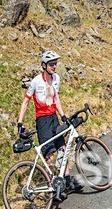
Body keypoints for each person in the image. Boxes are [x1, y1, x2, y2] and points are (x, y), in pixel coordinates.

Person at [17, 50, 79, 199]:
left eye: (56, 64)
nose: (54, 66)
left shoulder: (56, 78)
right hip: (42, 121)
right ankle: (53, 185)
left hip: (54, 118)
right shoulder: (36, 81)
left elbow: (56, 98)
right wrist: (19, 122)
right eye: (51, 64)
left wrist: (63, 116)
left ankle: (67, 181)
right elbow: (25, 102)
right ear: (44, 65)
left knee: (62, 149)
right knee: (49, 154)